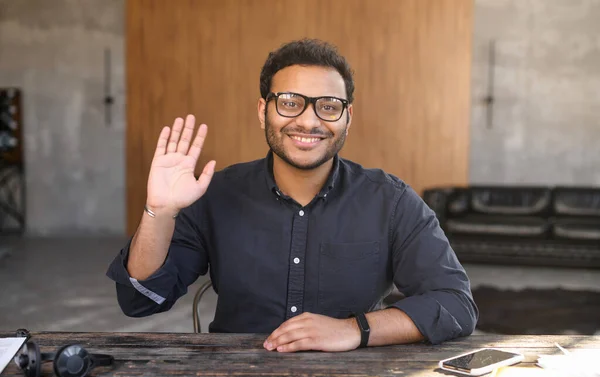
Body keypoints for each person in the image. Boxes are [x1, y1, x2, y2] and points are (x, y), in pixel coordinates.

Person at [107, 38, 478, 352]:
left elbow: (455, 304)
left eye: (329, 107)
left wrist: (355, 329)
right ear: (262, 110)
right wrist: (158, 211)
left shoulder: (391, 202)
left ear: (348, 117)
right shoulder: (215, 196)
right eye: (289, 102)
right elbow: (139, 300)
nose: (309, 121)